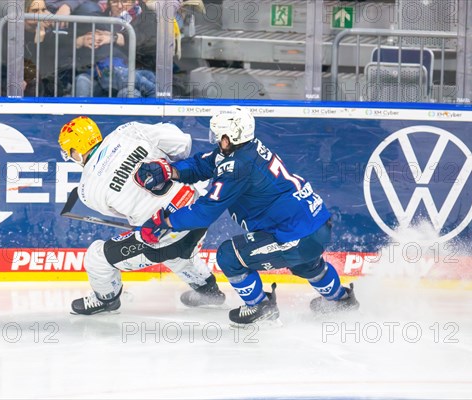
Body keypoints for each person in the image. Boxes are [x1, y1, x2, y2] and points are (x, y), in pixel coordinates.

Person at [135, 106, 360, 326]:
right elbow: (205, 163)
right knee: (307, 264)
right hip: (315, 223)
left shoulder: (237, 166)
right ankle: (340, 300)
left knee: (229, 256)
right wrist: (171, 171)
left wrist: (164, 222)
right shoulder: (246, 149)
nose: (215, 139)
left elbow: (205, 211)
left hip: (296, 235)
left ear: (229, 137)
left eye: (218, 135)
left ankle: (260, 306)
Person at [58, 116, 226, 315]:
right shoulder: (128, 131)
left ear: (76, 152)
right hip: (196, 208)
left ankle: (107, 300)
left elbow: (121, 212)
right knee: (176, 252)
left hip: (167, 232)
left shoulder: (87, 188)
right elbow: (182, 144)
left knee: (97, 257)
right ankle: (209, 291)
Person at [73, 0, 156, 98]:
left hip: (134, 72)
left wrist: (116, 38)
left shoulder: (148, 17)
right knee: (82, 81)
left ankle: (153, 93)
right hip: (102, 75)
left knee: (126, 93)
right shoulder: (98, 19)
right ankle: (83, 113)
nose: (120, 6)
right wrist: (81, 41)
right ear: (108, 3)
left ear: (135, 1)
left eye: (125, 2)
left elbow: (148, 46)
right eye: (115, 2)